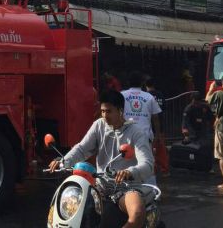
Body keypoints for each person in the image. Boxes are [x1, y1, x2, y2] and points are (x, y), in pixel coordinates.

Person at [49, 90, 155, 228]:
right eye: (103, 111)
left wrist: (129, 172)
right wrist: (63, 161)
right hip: (100, 186)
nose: (105, 116)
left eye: (109, 111)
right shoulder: (99, 125)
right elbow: (82, 149)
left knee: (137, 213)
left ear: (120, 111)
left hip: (126, 187)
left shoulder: (136, 133)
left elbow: (147, 164)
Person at [121, 71, 161, 142]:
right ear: (142, 83)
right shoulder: (149, 97)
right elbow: (155, 118)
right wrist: (157, 135)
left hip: (126, 136)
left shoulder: (121, 95)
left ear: (128, 82)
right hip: (145, 136)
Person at [144, 78, 169, 175]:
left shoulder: (146, 96)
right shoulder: (160, 94)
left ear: (145, 86)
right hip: (160, 125)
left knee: (148, 149)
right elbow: (164, 108)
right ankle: (164, 169)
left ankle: (152, 169)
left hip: (149, 126)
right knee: (161, 148)